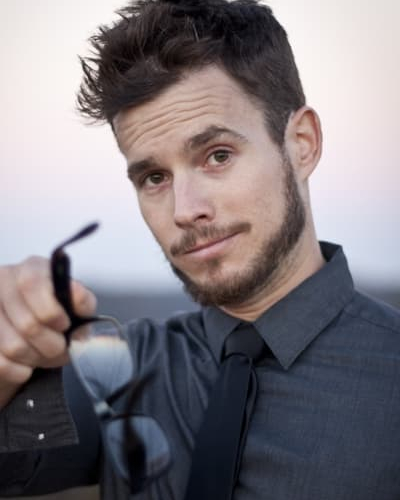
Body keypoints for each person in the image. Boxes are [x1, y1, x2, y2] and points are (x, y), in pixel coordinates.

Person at [0, 0, 399, 498]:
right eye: (154, 177)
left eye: (218, 155)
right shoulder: (119, 369)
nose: (185, 211)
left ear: (301, 143)